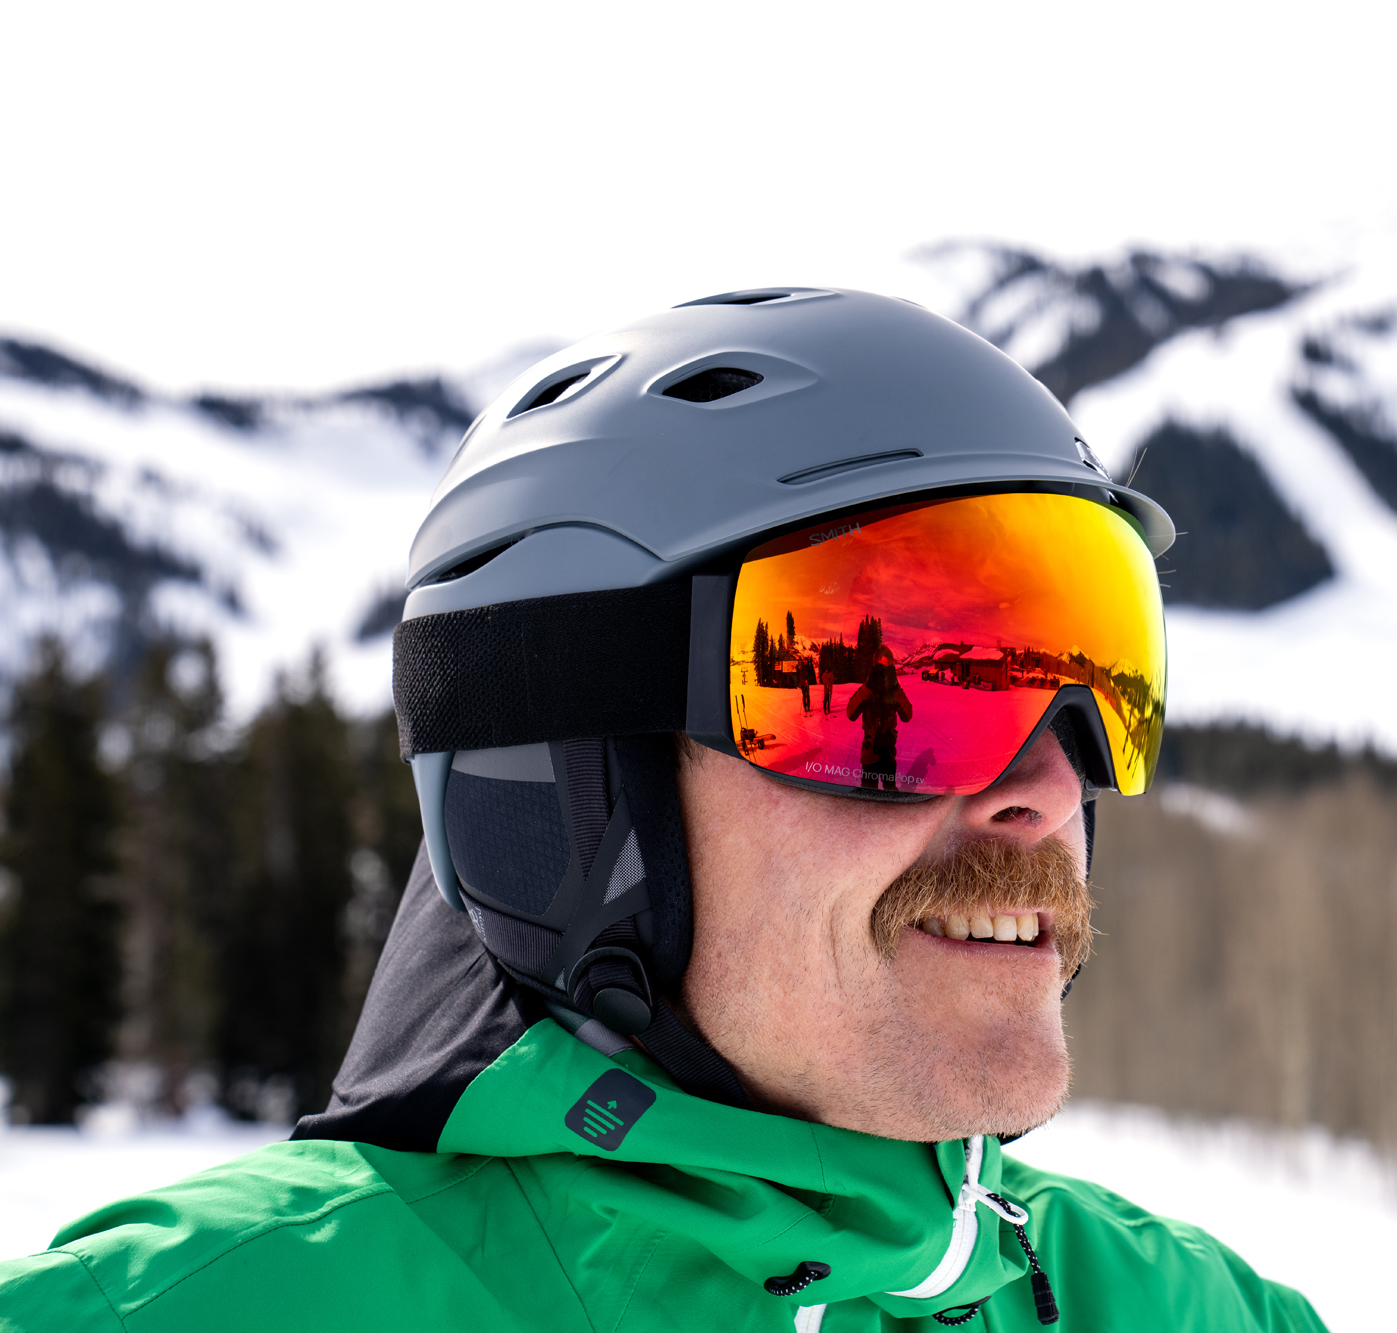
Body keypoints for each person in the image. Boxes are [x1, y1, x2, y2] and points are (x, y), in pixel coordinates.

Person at [0, 289, 1323, 1332]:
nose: (1045, 789)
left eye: (1095, 685)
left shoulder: (1187, 1312)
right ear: (572, 793)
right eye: (895, 699)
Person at [846, 646, 913, 791]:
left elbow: (907, 716)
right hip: (870, 754)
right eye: (881, 668)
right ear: (874, 667)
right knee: (869, 793)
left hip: (888, 753)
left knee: (890, 792)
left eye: (888, 669)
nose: (884, 674)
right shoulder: (868, 689)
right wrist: (869, 686)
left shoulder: (893, 691)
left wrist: (896, 688)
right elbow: (850, 714)